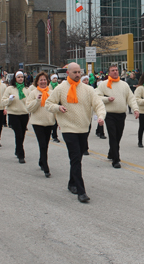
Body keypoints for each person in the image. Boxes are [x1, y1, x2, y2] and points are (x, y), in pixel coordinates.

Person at [46, 63, 106, 202]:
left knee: (78, 157)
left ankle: (71, 183)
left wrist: (101, 116)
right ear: (68, 73)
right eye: (74, 72)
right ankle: (81, 191)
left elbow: (98, 104)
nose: (77, 74)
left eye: (79, 72)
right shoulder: (61, 88)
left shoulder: (88, 89)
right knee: (75, 158)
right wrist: (57, 107)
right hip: (68, 128)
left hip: (84, 128)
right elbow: (49, 103)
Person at [96, 64, 139, 168]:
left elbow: (131, 98)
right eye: (112, 70)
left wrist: (135, 109)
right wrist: (107, 99)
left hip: (121, 114)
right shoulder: (104, 84)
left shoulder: (124, 84)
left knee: (118, 136)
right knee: (113, 136)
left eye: (116, 70)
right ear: (109, 73)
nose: (115, 72)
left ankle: (112, 152)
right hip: (110, 114)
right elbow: (96, 97)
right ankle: (116, 160)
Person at [27, 72, 56, 178]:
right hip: (37, 122)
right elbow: (29, 108)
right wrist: (37, 100)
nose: (43, 82)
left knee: (46, 144)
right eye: (41, 80)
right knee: (42, 144)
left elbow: (55, 107)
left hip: (49, 122)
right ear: (37, 82)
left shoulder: (52, 92)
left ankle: (41, 160)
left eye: (44, 80)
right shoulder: (33, 93)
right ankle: (46, 167)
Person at [2, 71, 30, 164]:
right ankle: (21, 155)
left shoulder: (26, 89)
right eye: (18, 77)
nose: (20, 79)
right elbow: (4, 101)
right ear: (15, 78)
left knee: (22, 134)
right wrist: (9, 100)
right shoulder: (10, 89)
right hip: (14, 114)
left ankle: (17, 149)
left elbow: (29, 101)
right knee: (18, 134)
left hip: (24, 114)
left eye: (22, 77)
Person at [49, 74, 61, 143]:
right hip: (52, 105)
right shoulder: (49, 87)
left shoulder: (59, 86)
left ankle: (54, 135)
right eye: (54, 78)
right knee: (53, 121)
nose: (55, 80)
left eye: (56, 78)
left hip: (58, 104)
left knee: (56, 121)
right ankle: (54, 135)